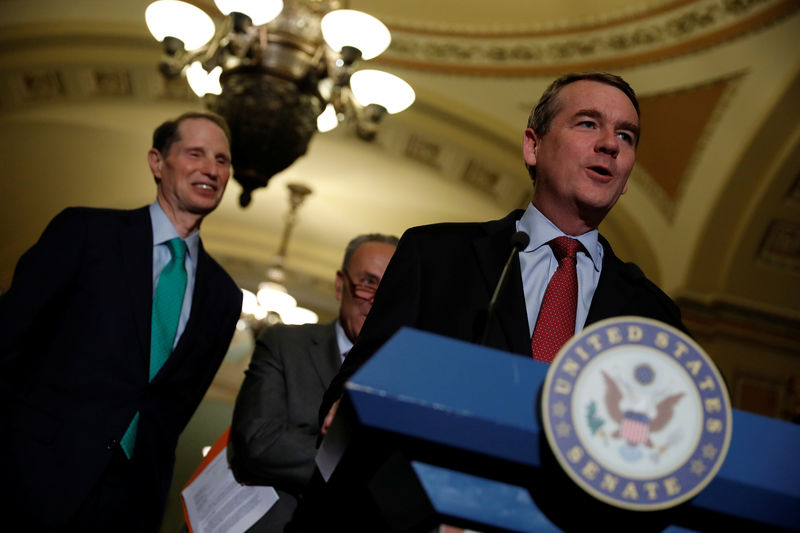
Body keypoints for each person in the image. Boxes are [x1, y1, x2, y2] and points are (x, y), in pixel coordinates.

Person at [320, 71, 688, 432]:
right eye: (588, 124)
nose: (611, 144)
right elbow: (353, 387)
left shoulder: (652, 313)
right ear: (533, 146)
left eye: (625, 136)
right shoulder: (435, 255)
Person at [0, 111, 243, 531]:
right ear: (157, 162)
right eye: (195, 154)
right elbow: (8, 338)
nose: (210, 169)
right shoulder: (86, 232)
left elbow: (174, 409)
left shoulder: (224, 297)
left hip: (129, 506)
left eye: (221, 160)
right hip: (29, 477)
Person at [230, 233, 398, 532]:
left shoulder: (406, 377)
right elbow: (260, 443)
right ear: (339, 285)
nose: (377, 298)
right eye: (367, 283)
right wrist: (365, 467)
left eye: (391, 288)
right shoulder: (285, 343)